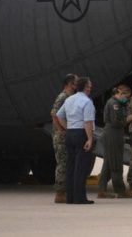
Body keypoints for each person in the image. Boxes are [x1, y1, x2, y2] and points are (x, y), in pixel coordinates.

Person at [55, 76, 96, 205]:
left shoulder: (69, 99)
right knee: (81, 167)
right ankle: (80, 198)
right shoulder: (86, 101)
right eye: (89, 85)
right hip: (81, 133)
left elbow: (59, 115)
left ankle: (70, 197)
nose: (90, 88)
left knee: (70, 166)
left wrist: (68, 128)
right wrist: (89, 138)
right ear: (85, 87)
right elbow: (88, 121)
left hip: (71, 133)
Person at [97, 84, 132, 199]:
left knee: (108, 163)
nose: (127, 99)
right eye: (126, 96)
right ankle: (120, 190)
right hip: (113, 134)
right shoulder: (114, 104)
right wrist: (127, 119)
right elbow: (116, 122)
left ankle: (101, 189)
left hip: (115, 133)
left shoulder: (119, 104)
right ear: (120, 93)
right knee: (116, 162)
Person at [50, 74, 77, 203]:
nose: (77, 84)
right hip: (61, 136)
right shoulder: (63, 97)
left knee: (68, 163)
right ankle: (60, 193)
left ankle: (66, 191)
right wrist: (62, 130)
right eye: (75, 82)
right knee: (63, 163)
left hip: (67, 134)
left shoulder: (71, 97)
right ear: (69, 83)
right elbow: (54, 114)